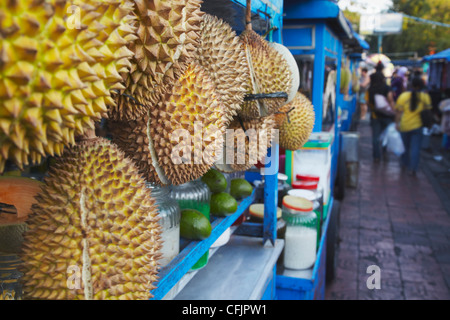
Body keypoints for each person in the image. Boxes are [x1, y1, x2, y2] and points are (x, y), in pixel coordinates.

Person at [395, 77, 432, 176]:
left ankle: (404, 164)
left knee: (405, 147)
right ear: (421, 86)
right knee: (415, 148)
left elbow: (398, 112)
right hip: (418, 126)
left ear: (411, 85)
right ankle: (413, 169)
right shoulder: (425, 97)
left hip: (404, 125)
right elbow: (428, 111)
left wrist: (396, 123)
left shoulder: (403, 96)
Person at [366, 62, 396, 163]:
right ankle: (384, 152)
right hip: (387, 116)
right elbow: (391, 101)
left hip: (375, 116)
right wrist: (394, 113)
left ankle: (376, 156)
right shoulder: (387, 88)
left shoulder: (370, 90)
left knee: (375, 137)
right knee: (385, 136)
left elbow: (367, 103)